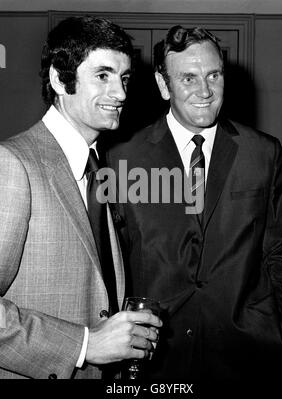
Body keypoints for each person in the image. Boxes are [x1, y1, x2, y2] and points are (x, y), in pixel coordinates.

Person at [108, 25, 282, 385]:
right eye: (189, 78)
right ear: (163, 86)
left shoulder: (262, 152)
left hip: (249, 356)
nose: (205, 91)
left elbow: (281, 252)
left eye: (214, 75)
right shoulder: (122, 159)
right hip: (159, 358)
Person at [0, 16, 162, 379]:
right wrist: (85, 345)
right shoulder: (12, 164)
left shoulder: (98, 167)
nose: (120, 93)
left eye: (123, 79)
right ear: (60, 78)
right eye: (102, 76)